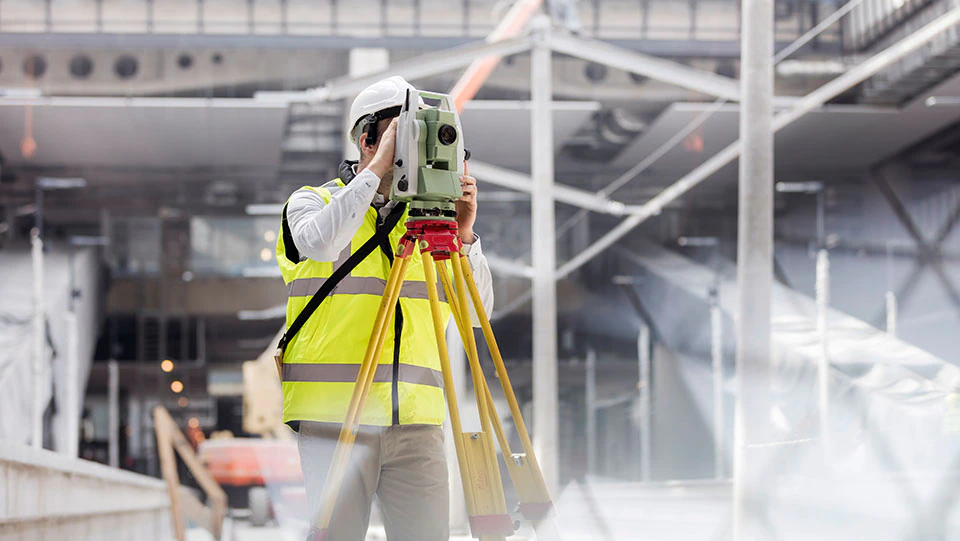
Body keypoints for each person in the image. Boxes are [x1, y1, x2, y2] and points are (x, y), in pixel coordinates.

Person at [275, 76, 494, 541]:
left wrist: (464, 234)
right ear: (365, 138)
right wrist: (376, 172)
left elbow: (477, 314)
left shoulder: (427, 226)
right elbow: (320, 241)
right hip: (334, 419)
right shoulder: (311, 202)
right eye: (403, 133)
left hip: (415, 423)